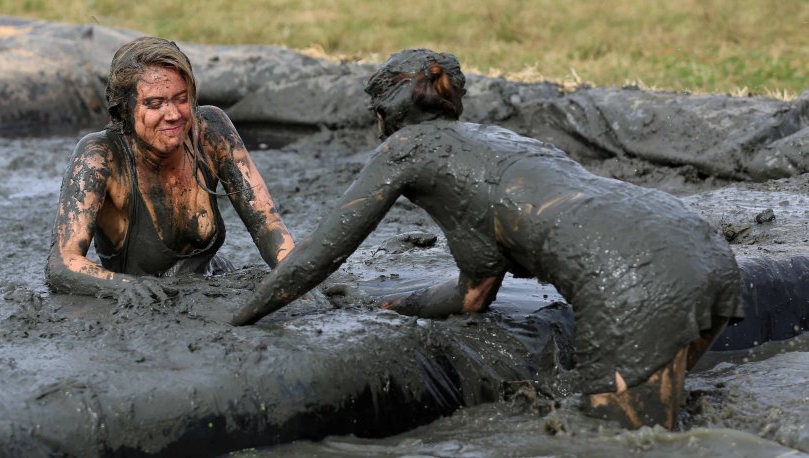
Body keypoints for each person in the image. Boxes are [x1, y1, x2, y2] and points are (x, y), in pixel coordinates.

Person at [230, 49, 744, 429]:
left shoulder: (405, 147)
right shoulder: (500, 141)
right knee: (664, 428)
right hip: (701, 247)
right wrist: (393, 304)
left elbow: (319, 254)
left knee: (615, 443)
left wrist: (237, 318)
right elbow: (473, 295)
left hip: (633, 281)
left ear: (384, 116)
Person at [45, 36, 296, 305]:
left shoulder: (211, 129)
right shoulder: (99, 157)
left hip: (213, 285)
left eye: (181, 99)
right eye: (154, 104)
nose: (173, 114)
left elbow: (268, 225)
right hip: (146, 307)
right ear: (124, 109)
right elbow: (62, 263)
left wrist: (301, 277)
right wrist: (126, 287)